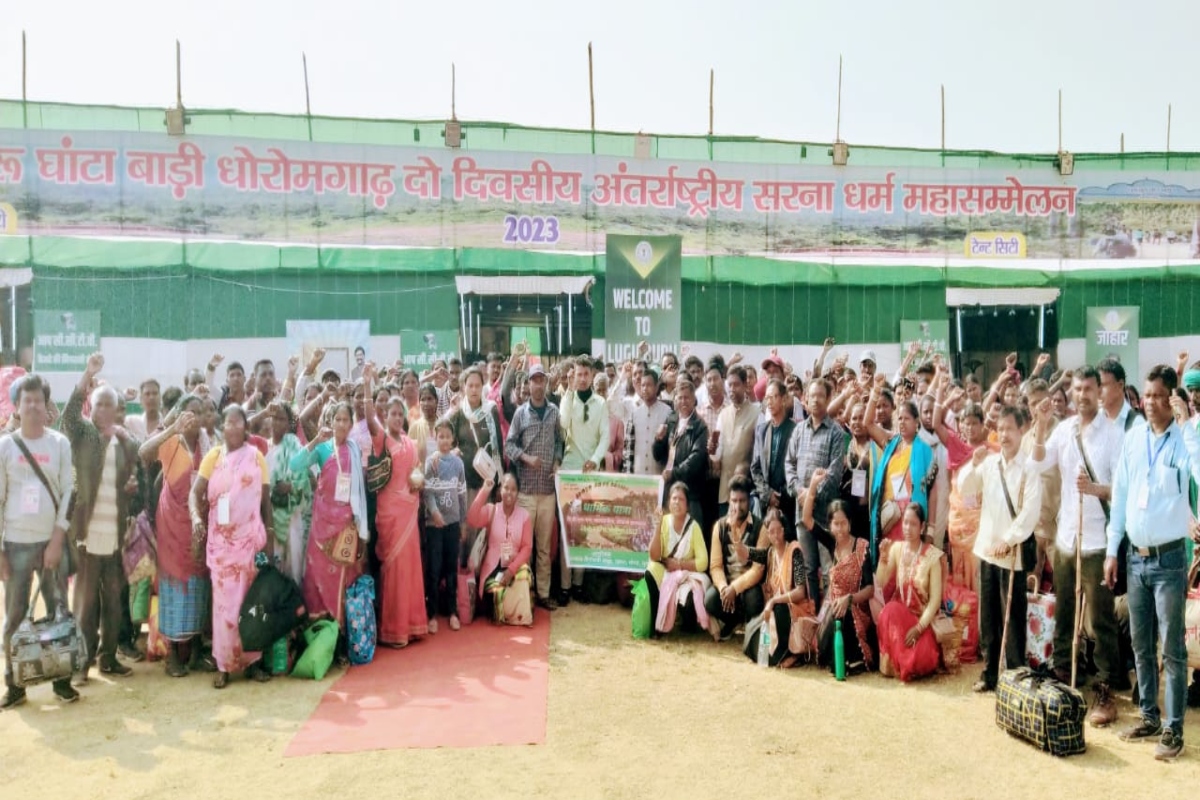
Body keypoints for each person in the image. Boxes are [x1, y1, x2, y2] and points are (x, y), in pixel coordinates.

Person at [1106, 366, 1200, 761]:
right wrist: (1112, 549)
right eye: (1146, 395)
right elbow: (1120, 496)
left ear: (1172, 398)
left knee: (1171, 650)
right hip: (1135, 559)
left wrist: (1188, 427)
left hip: (1169, 560)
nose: (1150, 402)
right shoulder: (1133, 439)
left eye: (1159, 396)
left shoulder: (1185, 441)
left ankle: (1173, 729)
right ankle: (1148, 715)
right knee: (1140, 645)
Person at [1030, 367, 1126, 726]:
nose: (1082, 395)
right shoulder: (1064, 429)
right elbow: (1038, 462)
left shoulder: (1113, 434)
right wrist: (1040, 426)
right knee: (1065, 611)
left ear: (1099, 392)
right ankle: (1063, 672)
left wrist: (1095, 489)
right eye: (1077, 389)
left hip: (1098, 539)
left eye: (1088, 389)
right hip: (1067, 536)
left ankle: (1106, 687)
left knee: (1100, 619)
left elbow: (1122, 490)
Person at [0, 374, 77, 709]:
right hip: (15, 544)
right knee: (15, 617)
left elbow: (70, 492)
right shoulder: (5, 446)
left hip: (51, 542)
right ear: (17, 406)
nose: (33, 406)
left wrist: (58, 538)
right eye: (26, 400)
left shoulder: (59, 444)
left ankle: (62, 681)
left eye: (38, 401)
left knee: (59, 612)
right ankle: (15, 684)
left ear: (47, 407)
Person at [62, 353, 140, 683]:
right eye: (100, 404)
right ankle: (82, 665)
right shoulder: (83, 434)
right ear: (90, 408)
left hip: (115, 536)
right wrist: (87, 374)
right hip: (86, 535)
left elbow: (137, 465)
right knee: (86, 605)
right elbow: (68, 415)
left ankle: (108, 658)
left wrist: (131, 488)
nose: (105, 410)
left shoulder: (124, 442)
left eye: (111, 405)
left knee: (113, 603)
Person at [955, 406, 1042, 693]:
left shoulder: (1030, 470)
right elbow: (966, 488)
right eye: (1000, 429)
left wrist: (1010, 539)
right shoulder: (990, 464)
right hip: (986, 550)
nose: (1004, 435)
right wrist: (973, 463)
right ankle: (989, 672)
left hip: (1012, 554)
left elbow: (1030, 512)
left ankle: (1015, 673)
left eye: (1010, 429)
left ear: (1021, 431)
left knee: (1013, 616)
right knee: (988, 616)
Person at [190, 405, 274, 689]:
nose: (234, 427)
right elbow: (195, 493)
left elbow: (265, 501)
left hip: (250, 543)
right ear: (222, 427)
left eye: (239, 422)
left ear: (246, 427)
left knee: (251, 605)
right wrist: (195, 518)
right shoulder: (213, 457)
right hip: (221, 547)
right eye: (229, 422)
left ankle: (253, 663)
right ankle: (223, 665)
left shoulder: (256, 457)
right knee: (224, 609)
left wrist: (269, 539)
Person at [139, 394, 214, 678]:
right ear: (181, 414)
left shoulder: (208, 445)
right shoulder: (171, 441)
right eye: (189, 411)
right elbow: (143, 452)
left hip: (198, 523)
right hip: (172, 526)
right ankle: (172, 655)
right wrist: (172, 428)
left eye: (199, 412)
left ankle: (194, 650)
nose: (194, 417)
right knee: (174, 586)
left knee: (198, 583)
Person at [290, 401, 369, 644]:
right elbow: (295, 466)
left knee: (343, 579)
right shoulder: (323, 448)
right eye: (338, 419)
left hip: (346, 525)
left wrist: (360, 527)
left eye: (346, 420)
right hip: (321, 525)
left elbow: (359, 491)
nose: (342, 424)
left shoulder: (354, 450)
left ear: (351, 424)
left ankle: (340, 638)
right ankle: (317, 636)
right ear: (331, 422)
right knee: (315, 577)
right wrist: (315, 440)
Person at [361, 365, 428, 648]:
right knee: (394, 569)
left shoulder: (410, 443)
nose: (398, 418)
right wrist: (367, 384)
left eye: (401, 414)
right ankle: (393, 629)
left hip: (410, 511)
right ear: (385, 417)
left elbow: (416, 470)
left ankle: (412, 625)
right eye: (393, 414)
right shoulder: (382, 439)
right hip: (390, 514)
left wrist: (418, 481)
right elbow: (369, 419)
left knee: (410, 567)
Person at [784, 377, 847, 607]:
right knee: (809, 567)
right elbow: (789, 464)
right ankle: (813, 615)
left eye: (821, 395)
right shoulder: (799, 430)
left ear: (828, 399)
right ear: (805, 399)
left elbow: (835, 473)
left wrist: (812, 493)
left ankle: (830, 617)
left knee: (829, 568)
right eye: (812, 395)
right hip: (802, 512)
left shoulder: (836, 433)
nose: (816, 400)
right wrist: (799, 491)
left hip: (825, 514)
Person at [506, 363, 564, 609]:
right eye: (534, 380)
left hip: (548, 491)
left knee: (543, 548)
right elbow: (509, 445)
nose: (538, 385)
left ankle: (543, 593)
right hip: (527, 492)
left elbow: (560, 441)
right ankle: (525, 592)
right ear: (528, 384)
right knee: (525, 548)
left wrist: (557, 461)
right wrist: (526, 458)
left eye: (542, 380)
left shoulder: (554, 412)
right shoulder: (520, 413)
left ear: (546, 383)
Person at [864, 380, 937, 572]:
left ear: (916, 422)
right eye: (899, 418)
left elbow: (933, 492)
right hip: (890, 516)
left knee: (910, 572)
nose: (902, 422)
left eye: (907, 418)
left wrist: (930, 528)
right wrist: (875, 391)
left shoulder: (925, 451)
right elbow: (868, 423)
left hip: (912, 520)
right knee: (888, 570)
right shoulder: (891, 443)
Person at [802, 485, 875, 675]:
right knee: (826, 645)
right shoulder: (831, 543)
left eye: (843, 523)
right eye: (836, 524)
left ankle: (853, 659)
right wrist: (813, 487)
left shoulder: (861, 547)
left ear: (850, 523)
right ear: (830, 525)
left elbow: (870, 589)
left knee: (843, 614)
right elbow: (806, 519)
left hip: (856, 608)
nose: (840, 529)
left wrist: (848, 599)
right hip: (833, 607)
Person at [873, 503, 943, 682]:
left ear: (922, 527)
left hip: (922, 622)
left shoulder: (932, 556)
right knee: (889, 610)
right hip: (900, 621)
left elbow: (935, 600)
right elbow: (881, 582)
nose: (907, 528)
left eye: (913, 524)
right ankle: (899, 662)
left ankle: (904, 661)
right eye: (905, 522)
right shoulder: (897, 549)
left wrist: (919, 628)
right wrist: (883, 559)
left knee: (923, 659)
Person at [743, 508, 814, 667]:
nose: (775, 535)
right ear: (767, 534)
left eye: (778, 530)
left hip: (794, 611)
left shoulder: (795, 551)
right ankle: (778, 654)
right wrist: (737, 543)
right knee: (751, 636)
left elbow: (800, 592)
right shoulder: (770, 554)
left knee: (780, 608)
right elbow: (749, 553)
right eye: (771, 532)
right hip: (775, 611)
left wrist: (774, 601)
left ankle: (793, 654)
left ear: (784, 530)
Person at [704, 475, 766, 641]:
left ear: (749, 501)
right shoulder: (720, 527)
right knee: (710, 599)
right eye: (734, 501)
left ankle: (749, 624)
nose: (738, 506)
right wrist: (724, 588)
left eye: (742, 501)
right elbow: (715, 566)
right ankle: (732, 621)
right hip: (728, 583)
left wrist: (735, 588)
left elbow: (758, 570)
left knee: (754, 600)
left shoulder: (760, 528)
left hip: (748, 587)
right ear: (729, 501)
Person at [467, 472, 534, 626]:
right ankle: (514, 612)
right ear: (500, 490)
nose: (509, 492)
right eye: (506, 488)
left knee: (523, 576)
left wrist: (511, 571)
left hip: (514, 566)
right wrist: (484, 490)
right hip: (493, 570)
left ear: (518, 493)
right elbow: (472, 518)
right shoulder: (491, 510)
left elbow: (527, 548)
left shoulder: (524, 516)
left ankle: (518, 615)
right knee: (497, 592)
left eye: (513, 489)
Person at [644, 482, 710, 634]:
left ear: (687, 506)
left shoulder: (694, 527)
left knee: (689, 599)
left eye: (681, 499)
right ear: (668, 502)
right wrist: (658, 526)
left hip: (686, 575)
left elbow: (703, 562)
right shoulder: (664, 521)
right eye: (674, 498)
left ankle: (688, 624)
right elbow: (654, 556)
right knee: (650, 571)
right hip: (667, 573)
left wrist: (679, 565)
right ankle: (656, 625)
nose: (676, 502)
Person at [424, 419, 468, 632]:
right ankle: (431, 614)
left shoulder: (458, 464)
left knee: (451, 569)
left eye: (447, 436)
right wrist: (434, 512)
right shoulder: (430, 463)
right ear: (435, 438)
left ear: (453, 439)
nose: (444, 440)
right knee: (434, 569)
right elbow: (428, 493)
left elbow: (462, 495)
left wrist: (463, 523)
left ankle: (452, 612)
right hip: (434, 526)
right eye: (440, 436)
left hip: (452, 524)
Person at [265, 401, 312, 585]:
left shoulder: (294, 445)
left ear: (289, 423)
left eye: (282, 419)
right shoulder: (264, 446)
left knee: (293, 568)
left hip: (291, 515)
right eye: (274, 418)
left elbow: (307, 481)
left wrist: (291, 487)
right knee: (272, 568)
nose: (277, 422)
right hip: (269, 516)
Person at [654, 378, 709, 531]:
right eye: (680, 397)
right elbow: (658, 456)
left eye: (687, 397)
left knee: (689, 537)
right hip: (669, 491)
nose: (683, 401)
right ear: (675, 400)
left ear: (694, 400)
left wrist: (674, 473)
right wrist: (658, 440)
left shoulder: (700, 426)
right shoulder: (671, 420)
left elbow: (696, 459)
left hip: (690, 494)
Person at [712, 365, 759, 520]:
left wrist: (747, 468)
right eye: (730, 385)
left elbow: (760, 454)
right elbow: (717, 453)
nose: (732, 389)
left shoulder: (757, 414)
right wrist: (712, 451)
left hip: (746, 492)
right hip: (725, 491)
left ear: (746, 385)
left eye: (736, 384)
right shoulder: (723, 414)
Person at [751, 379, 798, 531]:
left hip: (787, 502)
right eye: (767, 398)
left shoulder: (795, 430)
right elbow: (755, 467)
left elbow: (797, 468)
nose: (769, 402)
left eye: (773, 397)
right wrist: (767, 494)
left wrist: (780, 496)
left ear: (783, 399)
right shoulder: (762, 430)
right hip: (766, 502)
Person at [622, 368, 671, 476]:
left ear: (656, 387)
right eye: (643, 385)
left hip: (659, 476)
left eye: (649, 385)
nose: (645, 388)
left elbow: (671, 448)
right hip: (638, 476)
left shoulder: (667, 413)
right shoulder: (634, 414)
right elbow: (628, 449)